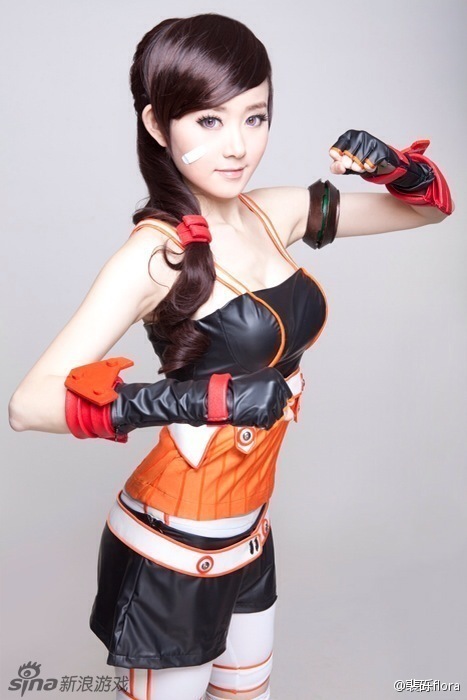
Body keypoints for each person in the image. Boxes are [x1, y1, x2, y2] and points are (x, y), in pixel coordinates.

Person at [8, 12, 453, 700]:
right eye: (209, 121)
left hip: (249, 533)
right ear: (159, 125)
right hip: (172, 543)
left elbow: (428, 210)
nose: (238, 145)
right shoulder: (153, 256)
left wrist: (399, 168)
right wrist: (205, 398)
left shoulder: (275, 213)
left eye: (255, 117)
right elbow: (28, 405)